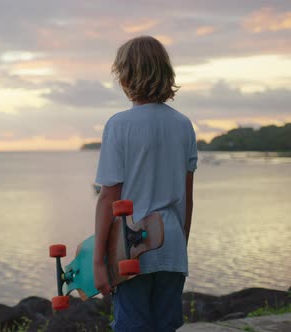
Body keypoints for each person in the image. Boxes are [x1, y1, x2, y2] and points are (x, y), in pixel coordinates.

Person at [93, 35, 197, 331]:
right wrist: (179, 246)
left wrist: (99, 262)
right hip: (173, 246)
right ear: (165, 72)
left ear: (126, 75)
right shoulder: (184, 125)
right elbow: (187, 199)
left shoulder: (119, 125)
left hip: (131, 250)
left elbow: (108, 197)